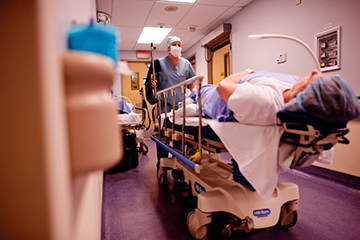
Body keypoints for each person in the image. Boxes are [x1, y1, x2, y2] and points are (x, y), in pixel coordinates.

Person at [144, 36, 196, 171]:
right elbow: (149, 83)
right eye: (174, 44)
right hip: (163, 106)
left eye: (179, 44)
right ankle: (161, 164)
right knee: (163, 136)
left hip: (180, 106)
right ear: (168, 47)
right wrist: (152, 83)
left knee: (179, 135)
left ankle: (177, 164)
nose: (177, 47)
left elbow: (191, 82)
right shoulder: (158, 63)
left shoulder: (186, 64)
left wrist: (193, 95)